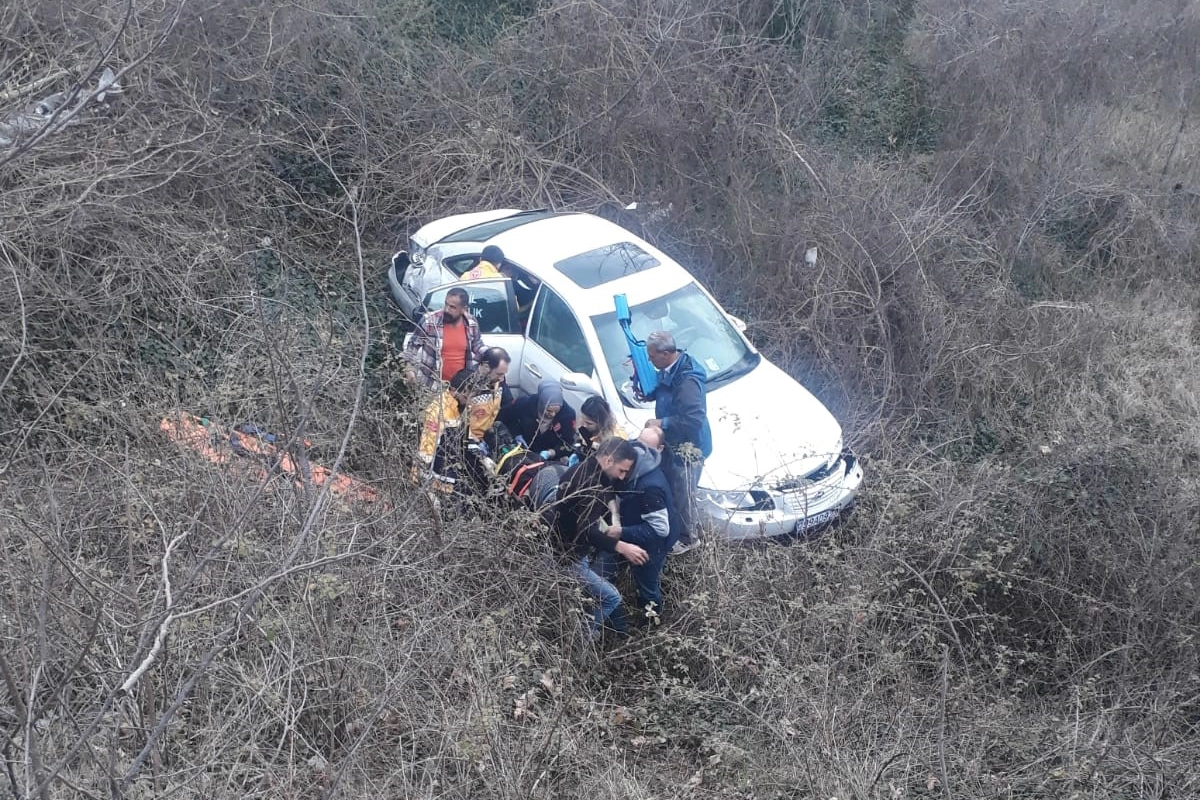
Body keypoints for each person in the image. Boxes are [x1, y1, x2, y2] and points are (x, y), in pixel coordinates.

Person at [541, 437, 648, 639]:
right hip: (565, 557)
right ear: (608, 461)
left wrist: (613, 516)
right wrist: (621, 546)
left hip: (562, 547)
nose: (623, 477)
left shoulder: (587, 468)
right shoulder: (588, 484)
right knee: (611, 598)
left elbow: (606, 489)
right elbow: (587, 531)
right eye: (622, 470)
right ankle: (580, 636)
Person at [595, 426, 681, 625]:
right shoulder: (627, 457)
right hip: (634, 526)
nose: (621, 477)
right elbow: (610, 485)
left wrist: (622, 531)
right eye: (619, 472)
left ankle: (651, 622)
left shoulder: (650, 487)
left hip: (655, 543)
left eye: (624, 473)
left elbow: (660, 529)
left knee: (647, 584)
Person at [642, 330, 712, 554]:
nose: (650, 361)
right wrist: (651, 394)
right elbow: (666, 390)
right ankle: (675, 527)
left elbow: (693, 420)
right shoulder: (669, 368)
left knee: (684, 493)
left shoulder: (688, 380)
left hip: (689, 448)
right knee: (673, 488)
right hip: (674, 443)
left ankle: (688, 538)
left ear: (665, 353)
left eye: (651, 357)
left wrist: (661, 422)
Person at [404, 287, 487, 392]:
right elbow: (412, 345)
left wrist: (492, 356)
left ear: (464, 309)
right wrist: (409, 368)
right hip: (432, 386)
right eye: (446, 304)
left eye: (452, 307)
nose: (446, 310)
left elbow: (477, 345)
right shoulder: (430, 321)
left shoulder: (471, 323)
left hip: (460, 389)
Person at [415, 368, 476, 493]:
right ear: (462, 391)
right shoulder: (439, 411)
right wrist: (421, 478)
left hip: (450, 470)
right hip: (436, 477)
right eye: (471, 395)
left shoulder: (460, 406)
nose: (472, 400)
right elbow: (427, 448)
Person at [498, 379, 577, 461]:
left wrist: (551, 453)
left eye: (556, 411)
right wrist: (517, 435)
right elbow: (508, 419)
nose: (552, 414)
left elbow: (568, 443)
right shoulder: (525, 403)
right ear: (542, 403)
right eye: (549, 410)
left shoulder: (567, 415)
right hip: (519, 450)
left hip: (547, 458)